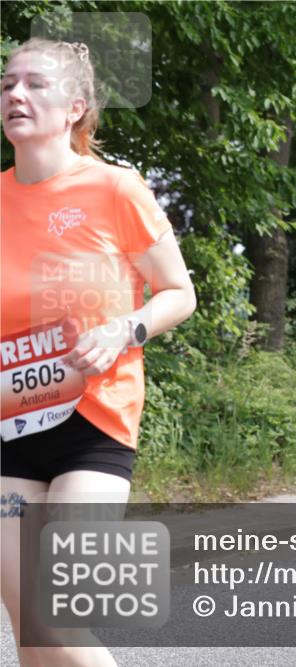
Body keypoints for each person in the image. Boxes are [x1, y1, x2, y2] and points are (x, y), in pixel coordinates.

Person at [1, 39, 197, 665]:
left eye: (35, 84)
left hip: (95, 423)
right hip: (11, 427)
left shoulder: (115, 189)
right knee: (29, 628)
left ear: (75, 107)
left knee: (57, 614)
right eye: (7, 83)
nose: (15, 94)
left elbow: (179, 293)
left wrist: (123, 330)